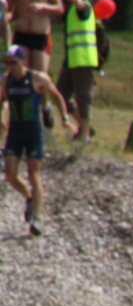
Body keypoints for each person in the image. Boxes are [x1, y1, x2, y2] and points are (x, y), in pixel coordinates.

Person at [3, 44, 70, 236]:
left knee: (34, 173)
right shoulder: (6, 81)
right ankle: (29, 197)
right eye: (8, 63)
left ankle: (38, 219)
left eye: (14, 63)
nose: (10, 67)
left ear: (23, 62)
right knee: (11, 174)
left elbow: (57, 96)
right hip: (15, 132)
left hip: (34, 132)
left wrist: (64, 117)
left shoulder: (37, 78)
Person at [54, 0, 97, 140]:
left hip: (84, 60)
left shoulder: (83, 6)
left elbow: (82, 8)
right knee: (60, 94)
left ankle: (84, 135)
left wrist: (76, 1)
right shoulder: (69, 12)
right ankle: (85, 127)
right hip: (71, 60)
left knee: (83, 97)